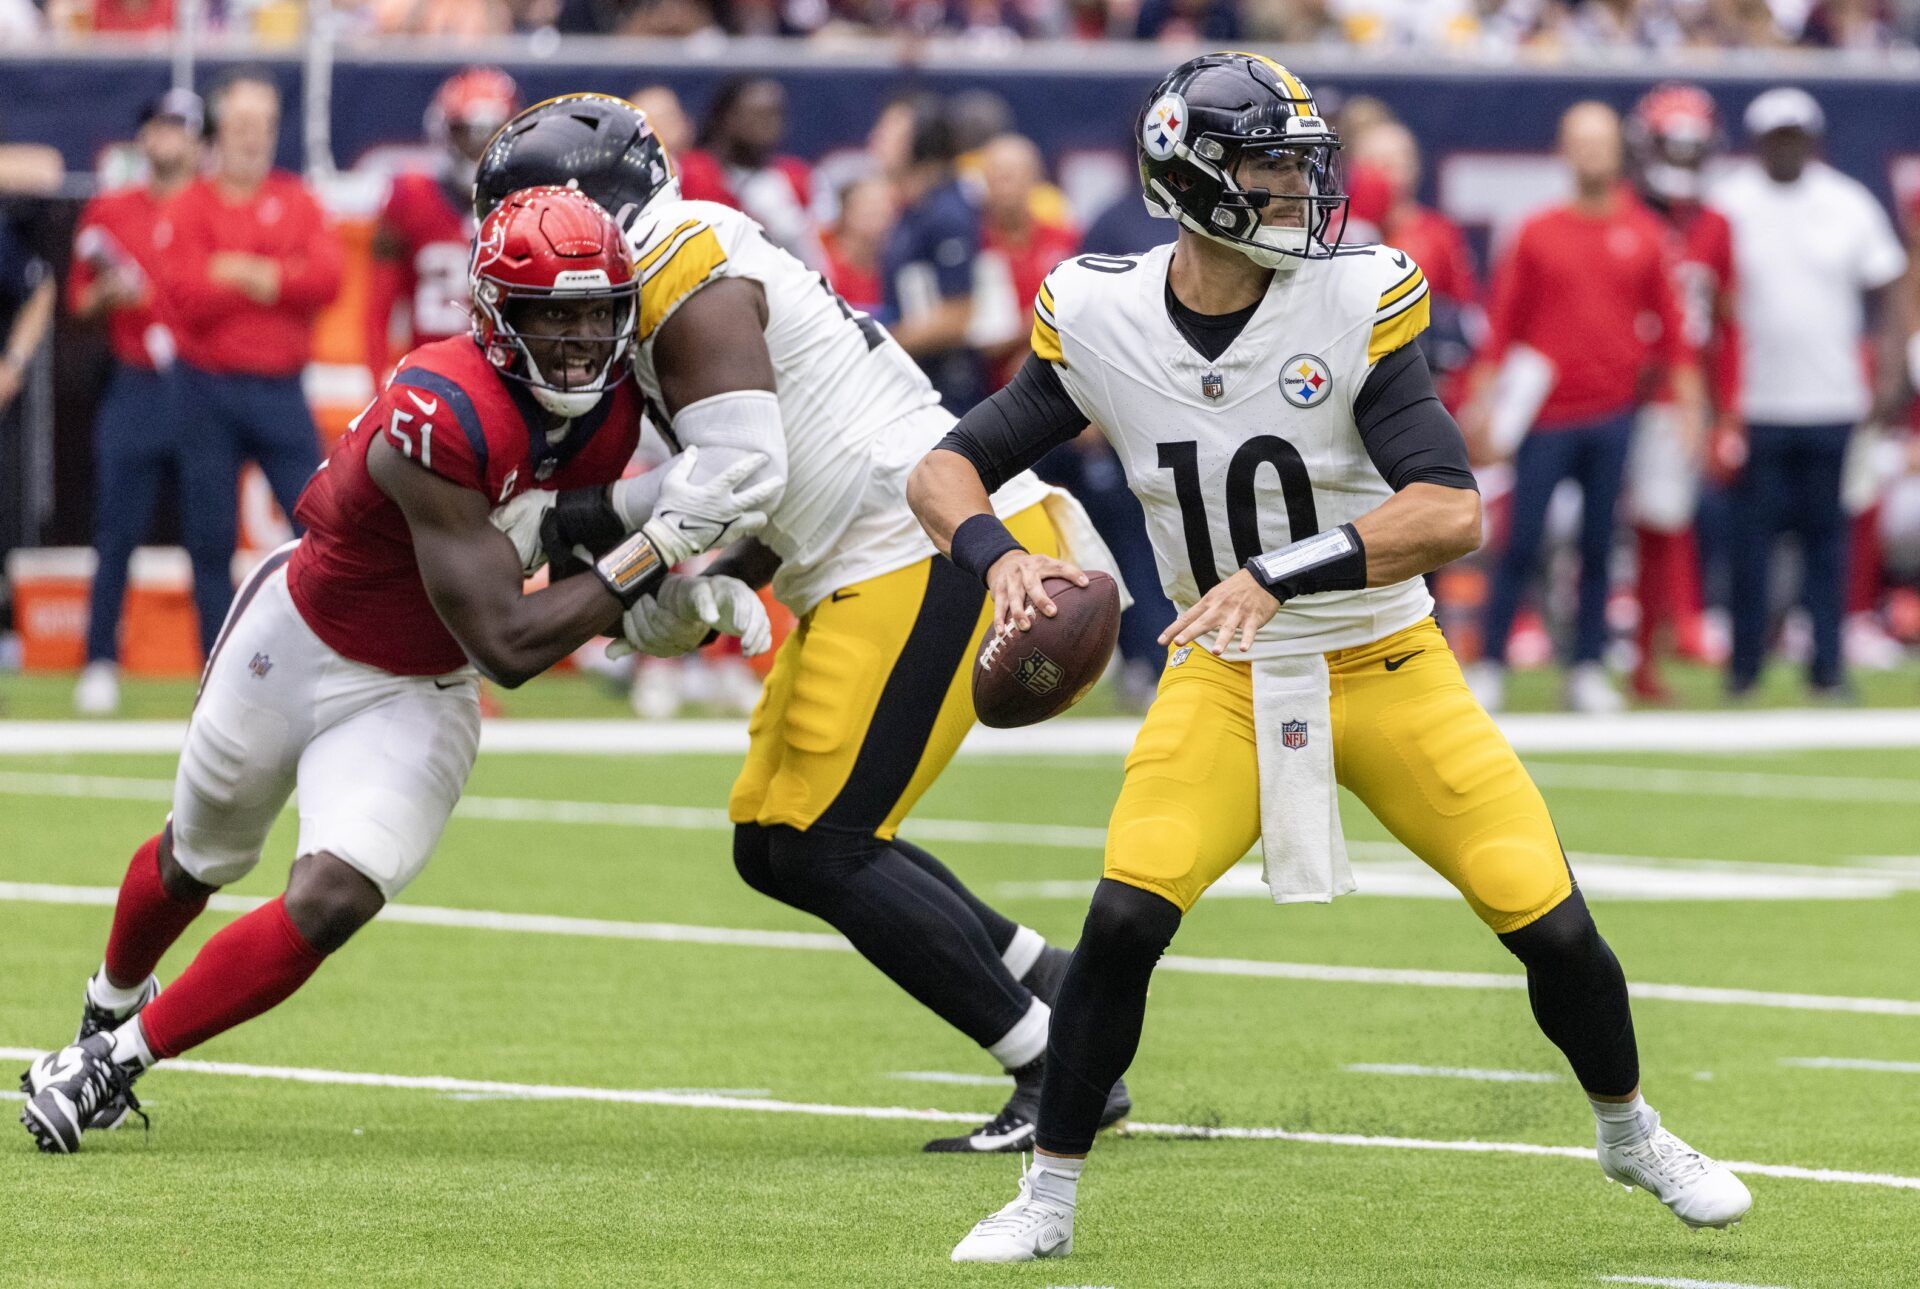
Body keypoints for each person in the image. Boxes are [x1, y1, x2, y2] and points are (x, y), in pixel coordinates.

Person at [910, 53, 1749, 1263]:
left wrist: (1277, 573)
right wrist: (994, 555)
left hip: (1383, 656)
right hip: (1224, 674)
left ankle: (1631, 1131)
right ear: (1193, 181)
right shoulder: (1103, 313)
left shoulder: (1353, 298)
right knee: (1122, 919)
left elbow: (1450, 507)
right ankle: (1049, 1192)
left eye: (1303, 168)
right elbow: (941, 467)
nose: (1301, 194)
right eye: (1267, 167)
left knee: (1552, 923)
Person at [19, 187, 775, 1153]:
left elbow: (567, 548)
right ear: (501, 315)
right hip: (302, 638)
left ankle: (114, 1063)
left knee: (336, 892)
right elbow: (511, 640)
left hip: (421, 683)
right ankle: (106, 1004)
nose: (584, 338)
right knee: (197, 856)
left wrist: (668, 597)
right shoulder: (441, 405)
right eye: (556, 313)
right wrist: (661, 542)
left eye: (598, 311)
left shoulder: (618, 405)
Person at [478, 95, 1129, 1154]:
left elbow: (743, 468)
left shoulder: (684, 263)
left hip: (925, 544)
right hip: (862, 550)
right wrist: (694, 564)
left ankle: (1054, 1063)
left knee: (824, 843)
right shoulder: (679, 258)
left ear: (588, 207)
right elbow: (770, 465)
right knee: (773, 847)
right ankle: (1044, 979)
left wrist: (602, 543)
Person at [1464, 102, 1705, 714]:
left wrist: (1692, 411)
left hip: (1614, 413)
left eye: (1602, 143)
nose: (1593, 154)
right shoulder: (1538, 231)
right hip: (1546, 417)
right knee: (1520, 542)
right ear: (1564, 151)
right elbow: (1502, 325)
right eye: (1582, 143)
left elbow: (1676, 334)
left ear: (1618, 151)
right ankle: (1491, 661)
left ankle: (1589, 666)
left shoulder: (1646, 232)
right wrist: (1484, 405)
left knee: (1601, 546)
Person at [1712, 87, 1910, 699]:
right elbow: (1708, 298)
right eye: (1777, 137)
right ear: (1758, 142)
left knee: (1830, 545)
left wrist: (1889, 371)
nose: (1786, 148)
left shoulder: (1846, 203)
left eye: (1795, 136)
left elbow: (1891, 287)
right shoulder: (1730, 202)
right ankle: (1744, 667)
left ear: (1813, 140)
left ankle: (1827, 666)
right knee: (1751, 546)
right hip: (1757, 404)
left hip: (1833, 401)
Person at [156, 71, 344, 655]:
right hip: (205, 387)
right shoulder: (190, 204)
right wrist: (268, 277)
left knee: (317, 525)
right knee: (208, 536)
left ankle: (326, 649)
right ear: (218, 130)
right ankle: (216, 660)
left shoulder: (297, 200)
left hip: (279, 389)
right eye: (239, 124)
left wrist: (237, 270)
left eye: (262, 124)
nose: (251, 137)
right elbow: (185, 293)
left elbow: (327, 279)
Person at [69, 91, 206, 715]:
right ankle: (99, 658)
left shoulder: (216, 209)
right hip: (136, 379)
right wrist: (112, 294)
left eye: (180, 128)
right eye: (158, 125)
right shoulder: (111, 209)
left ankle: (220, 665)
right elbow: (80, 302)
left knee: (211, 532)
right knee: (116, 527)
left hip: (205, 380)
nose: (168, 138)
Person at [1621, 83, 1743, 703]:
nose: (1686, 163)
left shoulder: (1716, 226)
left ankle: (1649, 655)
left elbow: (1726, 328)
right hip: (1614, 393)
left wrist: (1728, 413)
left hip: (1676, 396)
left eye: (1697, 151)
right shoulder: (1623, 216)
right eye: (1676, 148)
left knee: (1664, 526)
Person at [364, 67, 520, 386]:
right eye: (470, 134)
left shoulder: (526, 208)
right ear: (445, 132)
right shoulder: (410, 198)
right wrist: (378, 384)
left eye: (492, 133)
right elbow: (378, 309)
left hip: (507, 380)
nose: (481, 148)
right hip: (430, 376)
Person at [877, 94, 989, 414]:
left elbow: (958, 316)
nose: (876, 140)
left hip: (947, 389)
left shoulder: (947, 213)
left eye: (889, 132)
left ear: (921, 140)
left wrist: (876, 344)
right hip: (918, 378)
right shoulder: (915, 208)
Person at [676, 76, 825, 270]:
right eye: (758, 115)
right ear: (727, 117)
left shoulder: (799, 178)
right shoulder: (688, 172)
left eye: (775, 115)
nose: (769, 125)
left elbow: (822, 265)